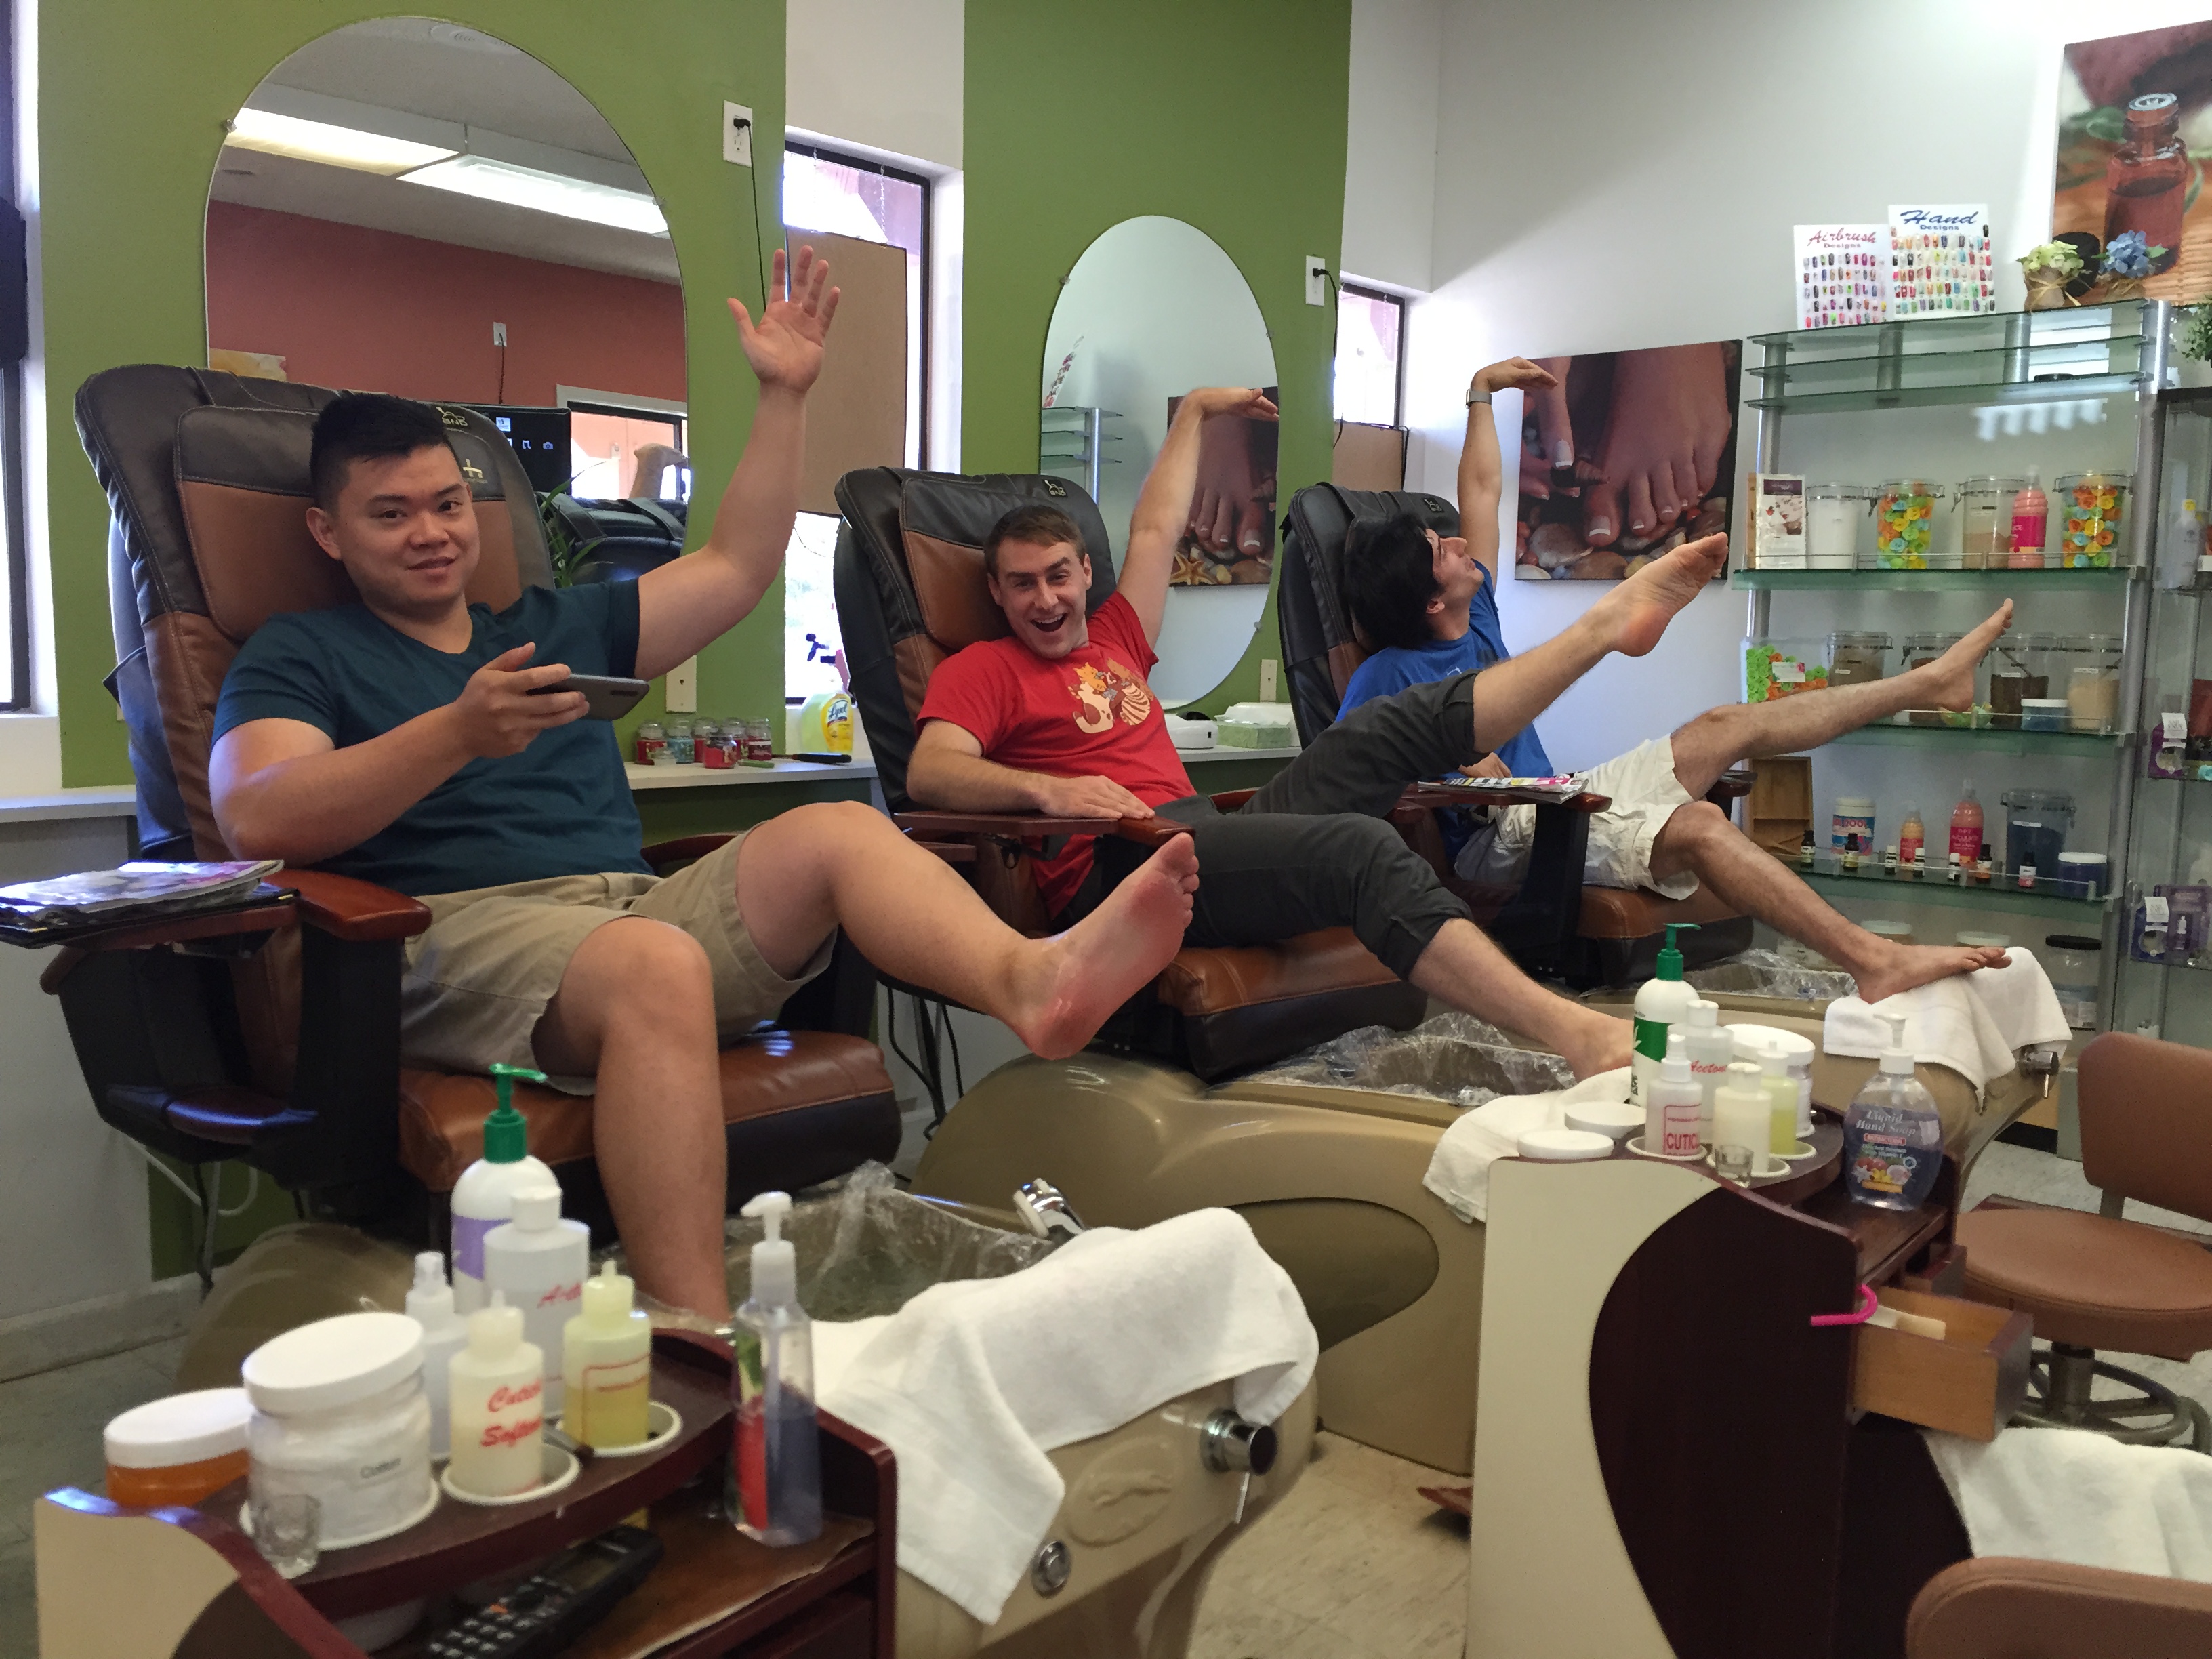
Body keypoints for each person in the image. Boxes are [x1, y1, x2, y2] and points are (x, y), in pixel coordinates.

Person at [207, 247, 1200, 1322]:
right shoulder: (300, 652)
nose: (433, 533)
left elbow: (734, 567)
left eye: (448, 503)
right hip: (447, 934)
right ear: (328, 531)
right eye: (392, 514)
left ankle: (1033, 983)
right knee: (654, 965)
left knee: (834, 830)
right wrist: (454, 733)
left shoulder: (552, 625)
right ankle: (699, 1335)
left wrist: (785, 396)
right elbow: (258, 812)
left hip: (624, 914)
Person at [905, 383, 1732, 1082]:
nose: (1045, 599)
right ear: (996, 592)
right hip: (1123, 870)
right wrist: (1048, 791)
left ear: (1086, 572)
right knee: (1359, 849)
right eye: (1021, 584)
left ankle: (1602, 628)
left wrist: (1194, 415)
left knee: (1379, 729)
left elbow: (1156, 530)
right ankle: (1579, 1036)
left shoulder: (1117, 634)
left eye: (1058, 576)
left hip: (1197, 833)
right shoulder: (982, 669)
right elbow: (931, 772)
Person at [1340, 355, 2013, 1004]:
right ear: (1432, 600)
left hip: (1560, 796)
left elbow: (1483, 490)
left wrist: (1481, 392)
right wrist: (1454, 762)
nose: (1459, 541)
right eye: (1441, 549)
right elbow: (1352, 781)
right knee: (1699, 826)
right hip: (1500, 838)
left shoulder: (1478, 616)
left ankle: (1928, 684)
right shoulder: (1386, 674)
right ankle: (1876, 961)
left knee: (1726, 724)